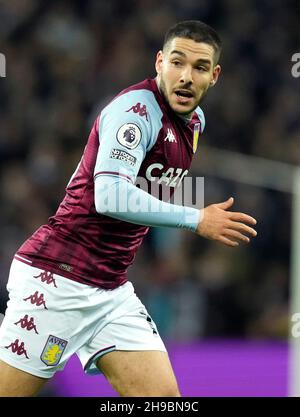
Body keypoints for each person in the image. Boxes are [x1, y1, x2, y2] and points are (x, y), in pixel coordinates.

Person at [0, 20, 257, 397]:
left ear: (214, 75)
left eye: (200, 67)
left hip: (110, 289)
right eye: (177, 62)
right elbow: (110, 196)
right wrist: (196, 218)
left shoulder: (195, 122)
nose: (186, 76)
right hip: (57, 278)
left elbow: (145, 196)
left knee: (164, 402)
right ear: (159, 63)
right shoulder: (135, 111)